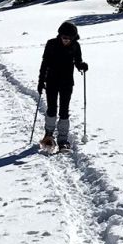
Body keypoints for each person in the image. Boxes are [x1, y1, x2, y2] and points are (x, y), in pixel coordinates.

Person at [37, 21, 88, 150]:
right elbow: (45, 64)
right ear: (60, 35)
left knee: (64, 110)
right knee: (52, 108)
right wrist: (41, 81)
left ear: (73, 38)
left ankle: (63, 139)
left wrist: (81, 66)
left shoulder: (75, 46)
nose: (65, 40)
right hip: (52, 81)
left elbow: (77, 61)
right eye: (64, 37)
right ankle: (48, 135)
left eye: (68, 38)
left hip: (67, 82)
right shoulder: (51, 44)